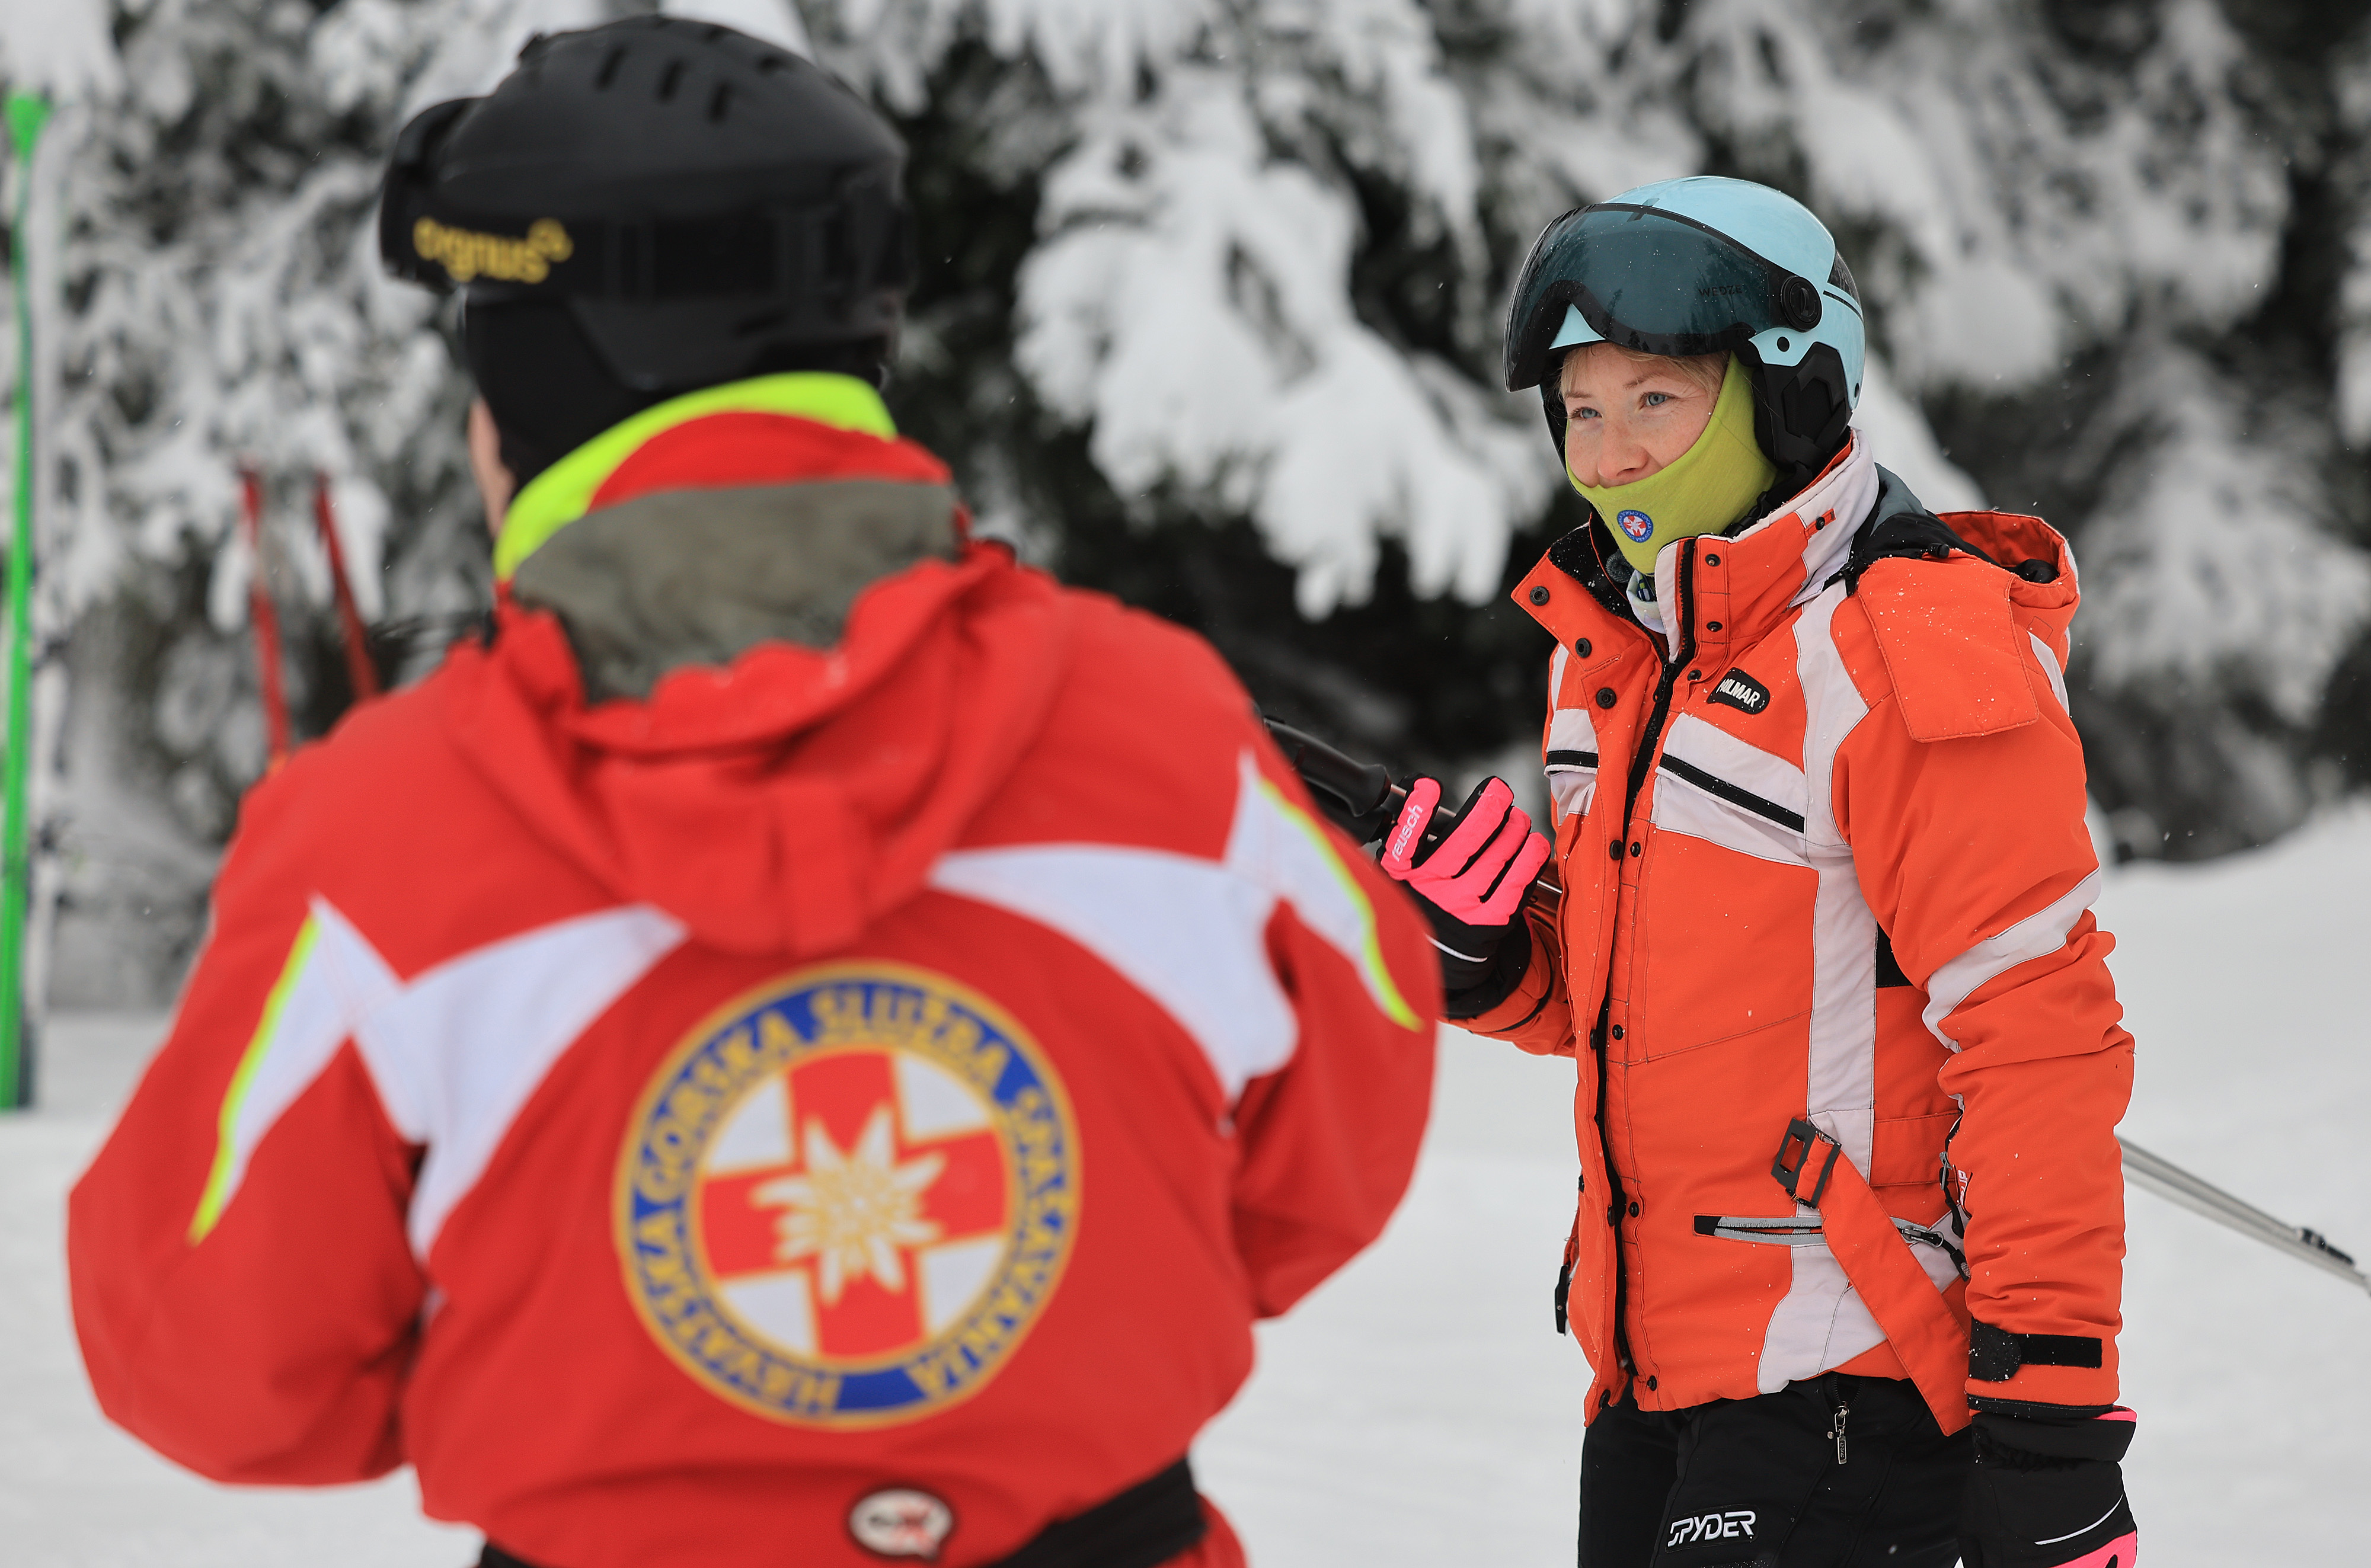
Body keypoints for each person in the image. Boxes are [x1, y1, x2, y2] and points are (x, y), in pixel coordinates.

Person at [66, 21, 1439, 1568]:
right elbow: (1340, 1138)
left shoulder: (381, 834)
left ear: (527, 394)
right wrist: (1064, 1336)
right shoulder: (1168, 740)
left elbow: (205, 1357)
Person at [1377, 177, 2138, 1568]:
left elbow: (2032, 1035)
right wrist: (1489, 962)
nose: (1608, 455)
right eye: (1579, 412)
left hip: (1846, 1392)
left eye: (1653, 401)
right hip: (1651, 1383)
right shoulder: (1614, 651)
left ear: (1789, 394)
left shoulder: (1906, 649)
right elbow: (1657, 1007)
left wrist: (2050, 1422)